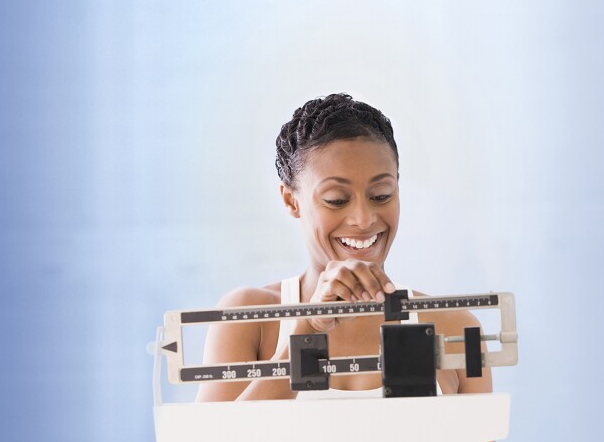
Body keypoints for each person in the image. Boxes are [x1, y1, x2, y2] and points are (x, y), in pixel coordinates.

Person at [195, 93, 492, 404]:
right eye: (336, 199)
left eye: (381, 195)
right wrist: (308, 328)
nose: (363, 220)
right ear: (290, 200)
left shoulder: (455, 327)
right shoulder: (250, 320)